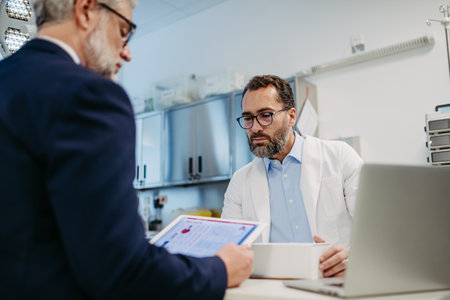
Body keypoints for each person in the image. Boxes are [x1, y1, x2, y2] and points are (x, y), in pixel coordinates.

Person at [0, 0, 253, 299]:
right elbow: (122, 270)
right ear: (85, 10)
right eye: (123, 31)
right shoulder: (89, 96)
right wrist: (220, 269)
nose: (128, 53)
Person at [222, 75, 363, 278]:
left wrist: (352, 257)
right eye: (248, 118)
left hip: (335, 283)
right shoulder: (240, 181)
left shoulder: (340, 156)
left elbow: (375, 230)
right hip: (271, 289)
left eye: (265, 115)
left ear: (291, 116)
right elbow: (230, 249)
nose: (255, 128)